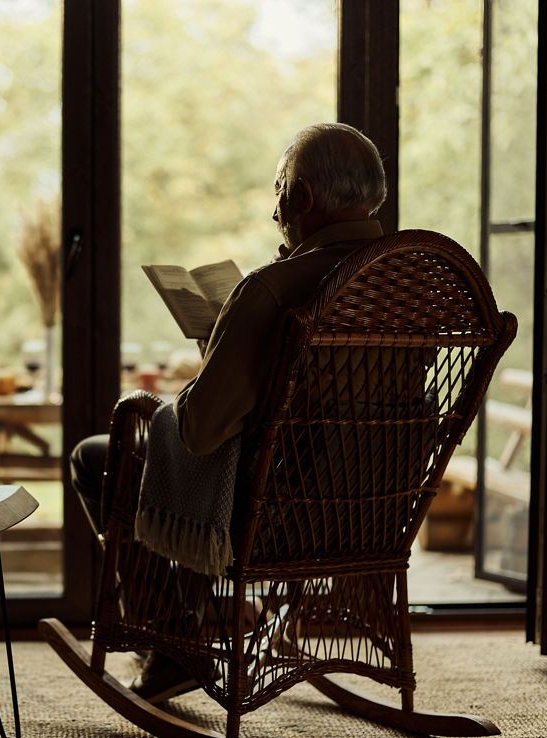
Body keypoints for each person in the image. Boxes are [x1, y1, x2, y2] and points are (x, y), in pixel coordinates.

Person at [69, 122, 388, 701]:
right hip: (376, 510)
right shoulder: (404, 286)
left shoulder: (276, 289)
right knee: (203, 468)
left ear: (304, 198)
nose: (276, 213)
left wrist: (216, 354)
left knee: (101, 455)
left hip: (273, 516)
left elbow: (198, 431)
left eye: (279, 192)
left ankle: (170, 644)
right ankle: (177, 638)